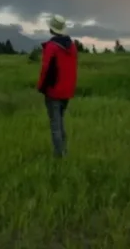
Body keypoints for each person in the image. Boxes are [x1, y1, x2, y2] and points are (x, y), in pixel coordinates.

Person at [36, 15, 78, 158]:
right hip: (67, 91)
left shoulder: (51, 47)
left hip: (53, 92)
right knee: (60, 122)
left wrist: (41, 87)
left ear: (51, 28)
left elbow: (45, 70)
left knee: (55, 125)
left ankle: (60, 156)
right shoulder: (72, 46)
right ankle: (64, 150)